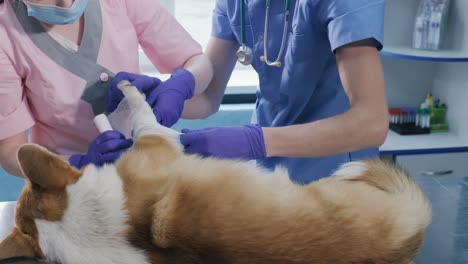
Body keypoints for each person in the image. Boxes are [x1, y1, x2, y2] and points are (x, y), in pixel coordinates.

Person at [109, 0, 390, 184]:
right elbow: (208, 96)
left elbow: (371, 124)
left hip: (338, 175)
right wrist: (157, 98)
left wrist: (255, 141)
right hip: (269, 173)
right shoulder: (237, 3)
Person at [0, 0, 213, 177]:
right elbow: (11, 153)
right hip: (66, 191)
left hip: (142, 170)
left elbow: (197, 62)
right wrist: (78, 164)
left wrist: (181, 85)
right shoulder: (4, 36)